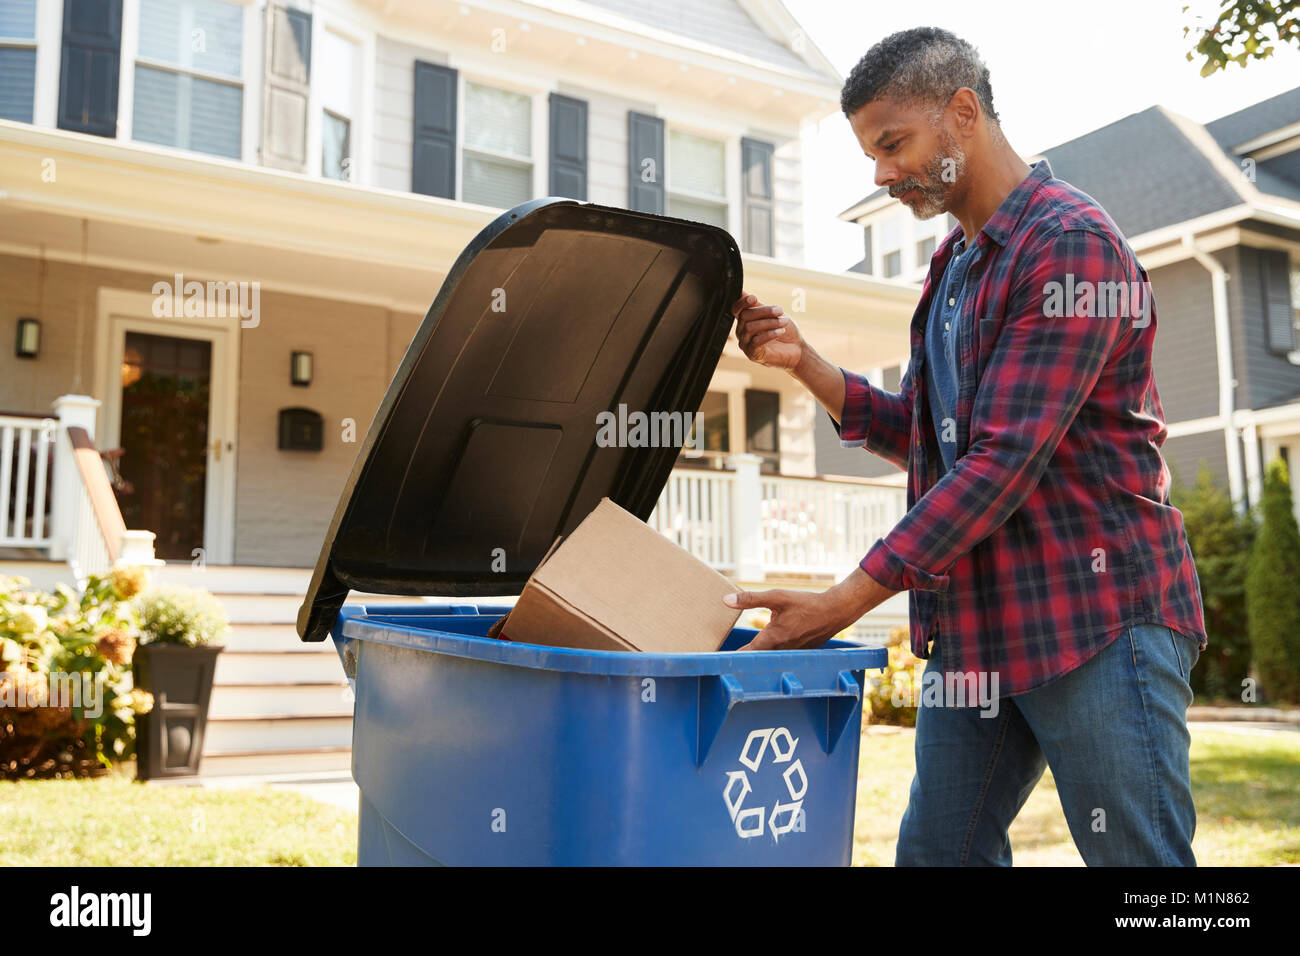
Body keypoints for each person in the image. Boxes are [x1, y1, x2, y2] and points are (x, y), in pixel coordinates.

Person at [724, 27, 1208, 866]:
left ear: (961, 113)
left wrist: (840, 604)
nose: (879, 174)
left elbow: (1001, 464)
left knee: (1143, 869)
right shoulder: (952, 267)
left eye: (891, 144)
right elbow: (931, 437)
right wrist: (805, 364)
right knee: (937, 856)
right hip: (980, 629)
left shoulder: (1068, 246)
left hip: (1097, 618)